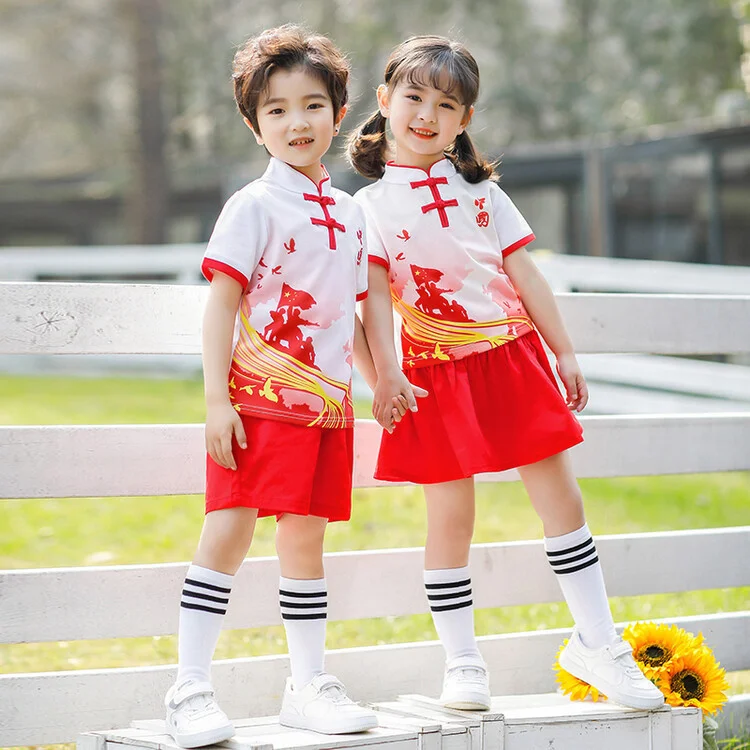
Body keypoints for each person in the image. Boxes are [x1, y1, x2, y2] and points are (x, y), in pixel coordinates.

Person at [348, 35, 665, 713]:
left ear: (465, 121)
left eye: (447, 104)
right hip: (432, 374)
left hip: (512, 359)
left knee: (563, 502)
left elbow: (525, 272)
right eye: (413, 96)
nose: (427, 114)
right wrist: (386, 378)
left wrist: (564, 351)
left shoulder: (483, 194)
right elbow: (372, 301)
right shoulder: (365, 210)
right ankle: (462, 662)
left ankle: (598, 643)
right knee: (451, 517)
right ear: (384, 102)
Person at [164, 25, 382, 747]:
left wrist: (382, 383)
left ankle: (307, 684)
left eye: (312, 105)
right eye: (278, 109)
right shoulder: (251, 206)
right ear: (254, 124)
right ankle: (189, 688)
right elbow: (221, 305)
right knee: (226, 535)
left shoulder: (353, 215)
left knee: (306, 543)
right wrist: (215, 403)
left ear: (338, 114)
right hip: (256, 404)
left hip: (328, 410)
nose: (297, 122)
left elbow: (348, 313)